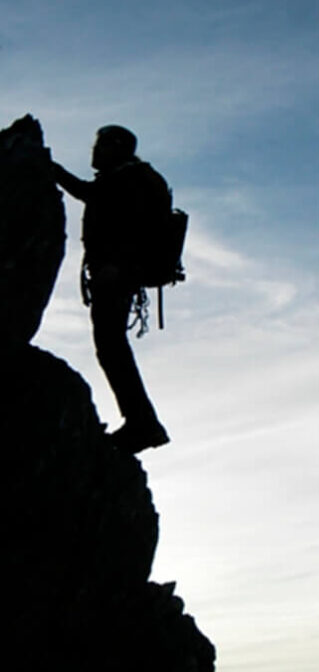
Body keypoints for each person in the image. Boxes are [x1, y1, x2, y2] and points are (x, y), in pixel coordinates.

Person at [53, 125, 171, 453]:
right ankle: (142, 422)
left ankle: (143, 424)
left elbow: (112, 212)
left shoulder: (128, 180)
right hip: (120, 274)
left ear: (117, 146)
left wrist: (116, 266)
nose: (94, 151)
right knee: (111, 347)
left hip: (117, 275)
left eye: (101, 144)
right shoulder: (127, 178)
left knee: (111, 347)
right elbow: (92, 194)